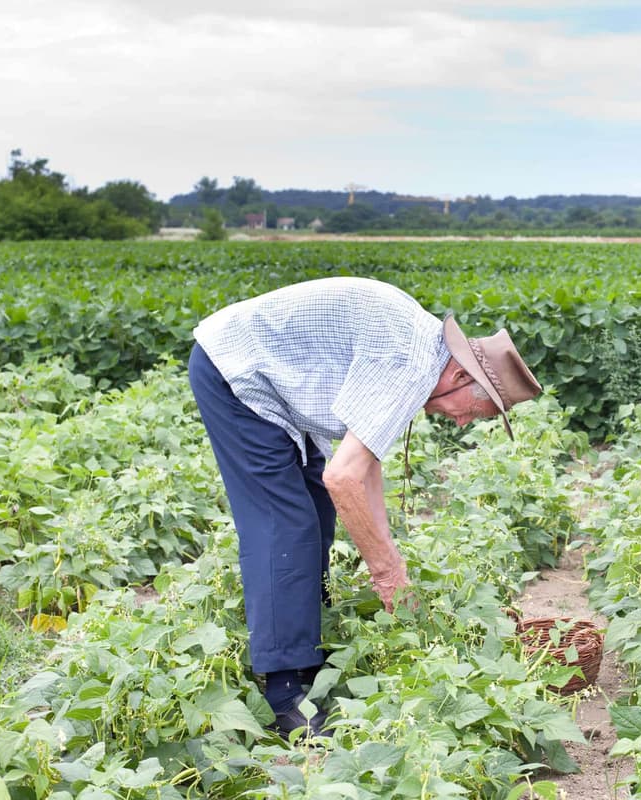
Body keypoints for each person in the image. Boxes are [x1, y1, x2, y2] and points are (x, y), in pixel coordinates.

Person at [188, 276, 542, 736]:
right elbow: (344, 476)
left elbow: (364, 467)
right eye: (472, 411)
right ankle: (284, 695)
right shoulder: (411, 367)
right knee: (285, 524)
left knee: (316, 509)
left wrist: (389, 555)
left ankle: (306, 654)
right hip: (233, 370)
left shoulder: (422, 356)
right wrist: (388, 573)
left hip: (265, 377)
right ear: (459, 376)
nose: (460, 421)